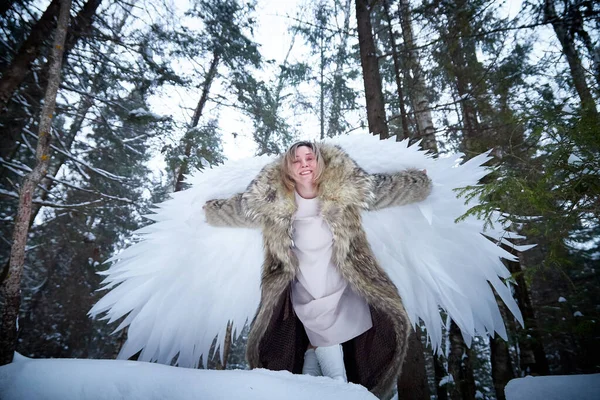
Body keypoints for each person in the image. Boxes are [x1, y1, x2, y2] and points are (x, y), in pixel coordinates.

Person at [203, 140, 432, 399]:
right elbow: (241, 210)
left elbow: (382, 190)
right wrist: (211, 210)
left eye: (309, 158)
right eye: (296, 160)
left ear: (319, 162)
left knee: (320, 337)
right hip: (304, 279)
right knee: (319, 331)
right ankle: (334, 388)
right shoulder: (272, 195)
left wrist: (416, 183)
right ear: (288, 167)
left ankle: (328, 387)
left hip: (339, 275)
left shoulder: (343, 185)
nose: (304, 165)